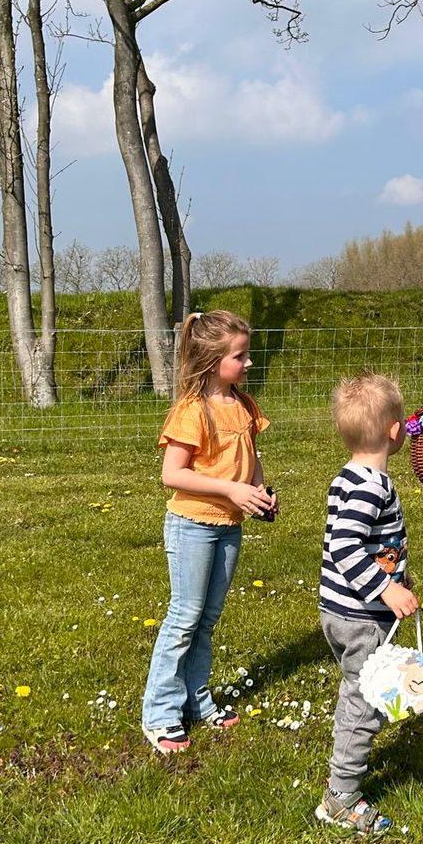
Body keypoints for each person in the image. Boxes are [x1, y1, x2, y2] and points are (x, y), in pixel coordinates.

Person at [141, 310, 276, 755]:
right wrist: (230, 488)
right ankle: (160, 714)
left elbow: (251, 456)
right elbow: (172, 474)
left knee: (207, 620)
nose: (248, 363)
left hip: (229, 526)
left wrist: (257, 490)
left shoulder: (244, 405)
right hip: (192, 525)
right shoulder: (191, 411)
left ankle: (197, 701)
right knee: (184, 618)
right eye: (240, 356)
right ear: (212, 359)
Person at [316, 371, 419, 836]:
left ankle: (343, 780)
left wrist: (397, 575)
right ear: (395, 430)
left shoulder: (351, 476)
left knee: (358, 690)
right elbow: (345, 546)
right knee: (365, 704)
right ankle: (341, 796)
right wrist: (385, 589)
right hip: (359, 615)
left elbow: (374, 544)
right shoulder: (372, 487)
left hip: (343, 609)